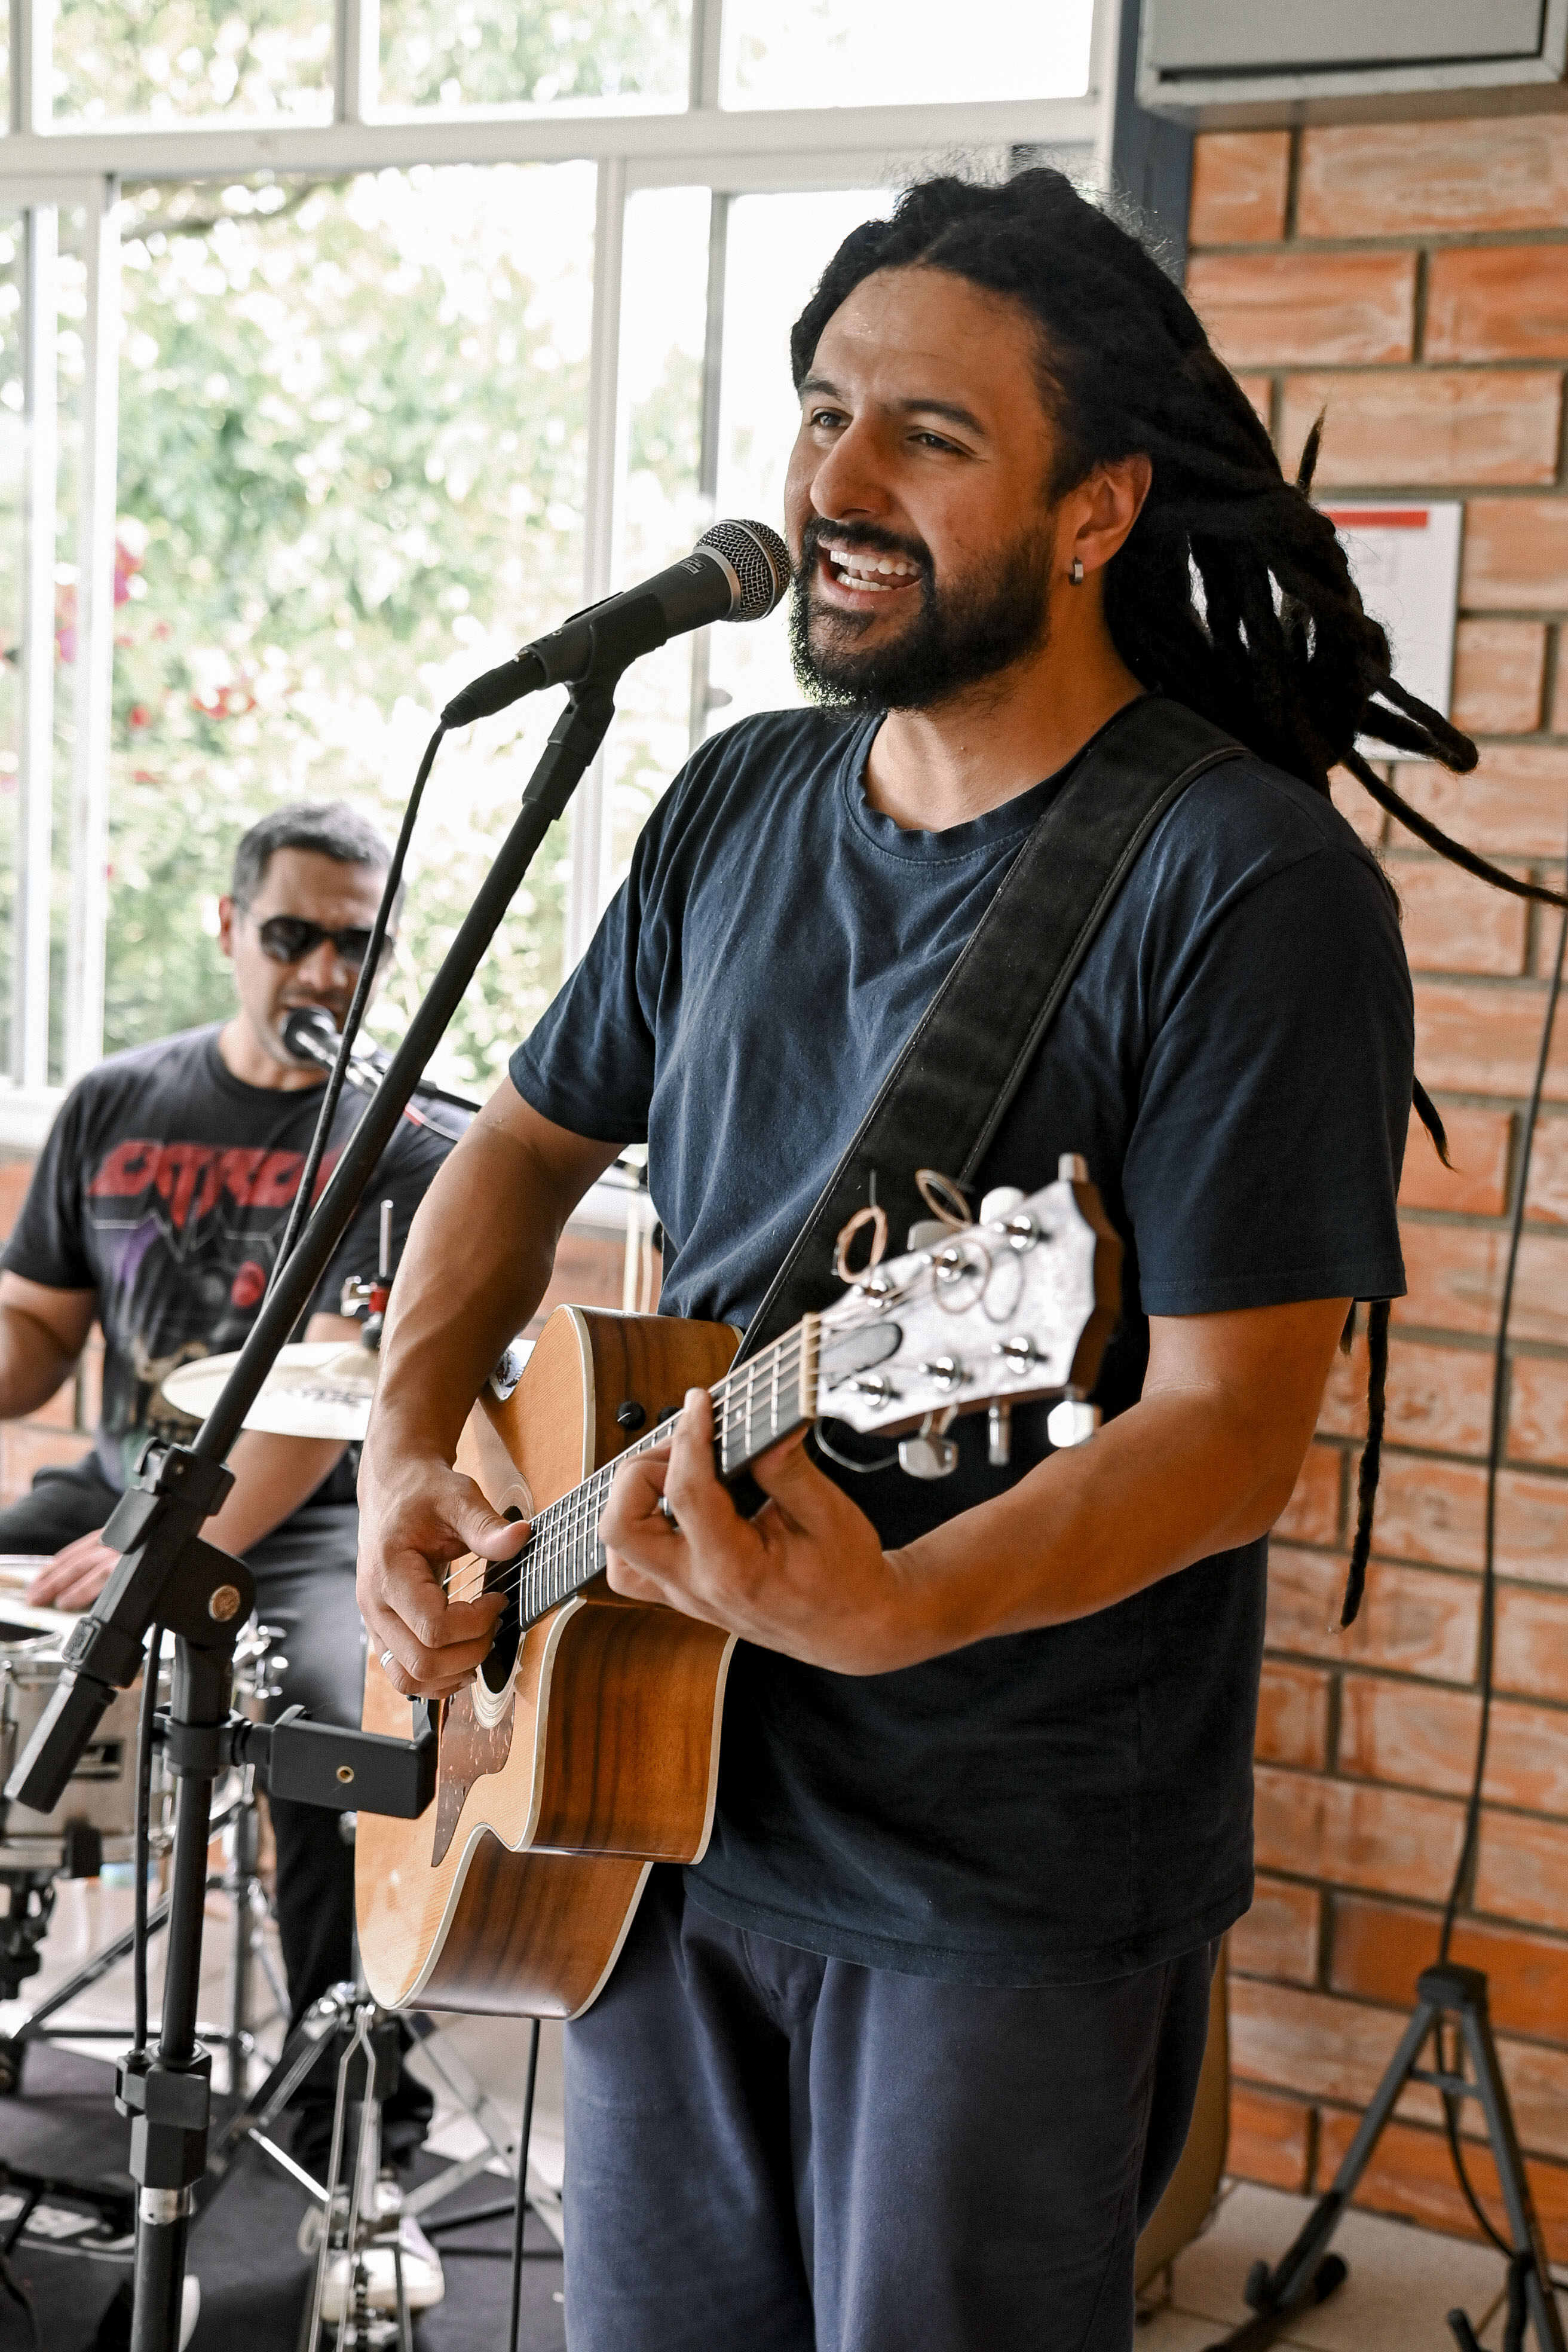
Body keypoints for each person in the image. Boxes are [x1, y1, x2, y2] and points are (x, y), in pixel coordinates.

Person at [354, 172, 1497, 2350]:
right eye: (822, 412)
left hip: (998, 1871)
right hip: (647, 1806)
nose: (837, 480)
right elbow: (513, 1147)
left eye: (928, 434)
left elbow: (1230, 1428)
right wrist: (414, 1442)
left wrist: (904, 1605)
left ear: (1094, 513)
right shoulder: (733, 804)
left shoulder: (1239, 887)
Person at [0, 800, 451, 2161]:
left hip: (308, 1522)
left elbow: (323, 1408)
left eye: (358, 947)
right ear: (228, 927)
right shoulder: (116, 1102)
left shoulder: (406, 1148)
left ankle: (350, 2116)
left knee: (337, 1728)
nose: (324, 971)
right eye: (293, 935)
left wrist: (158, 1557)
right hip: (115, 1485)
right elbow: (35, 1335)